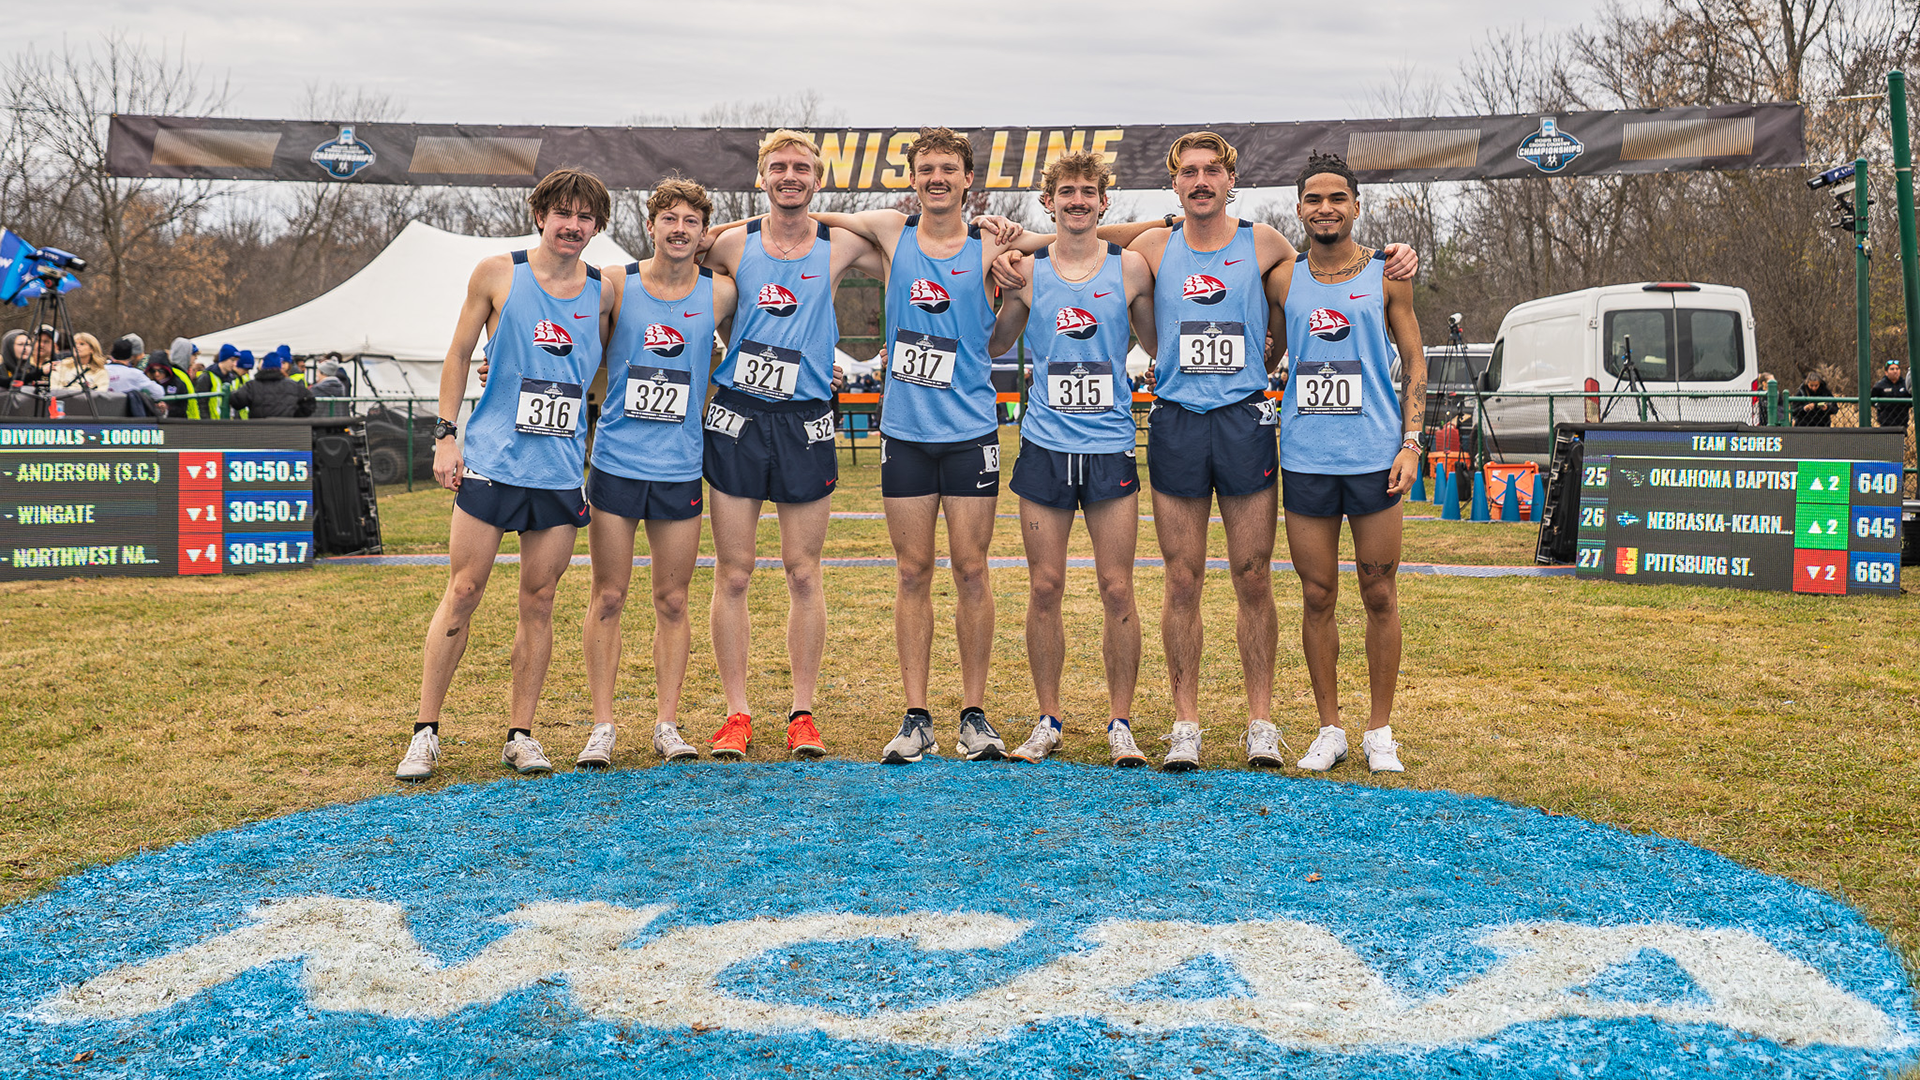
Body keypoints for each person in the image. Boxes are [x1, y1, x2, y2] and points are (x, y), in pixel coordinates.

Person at [1121, 132, 1416, 771]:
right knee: (1181, 577)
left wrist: (1396, 256)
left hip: (1246, 420)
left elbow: (1318, 297)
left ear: (1233, 181)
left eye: (1213, 172)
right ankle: (1186, 723)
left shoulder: (1268, 246)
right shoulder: (1151, 245)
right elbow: (1080, 233)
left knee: (1254, 574)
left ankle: (1261, 722)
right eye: (1189, 174)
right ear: (1175, 185)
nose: (1201, 182)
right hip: (1176, 420)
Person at [800, 127, 1028, 764]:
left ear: (967, 180)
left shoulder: (989, 243)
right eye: (924, 168)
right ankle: (916, 715)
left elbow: (1001, 340)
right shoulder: (894, 236)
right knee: (911, 572)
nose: (935, 178)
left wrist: (1011, 295)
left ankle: (975, 716)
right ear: (912, 179)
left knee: (972, 570)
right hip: (904, 433)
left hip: (970, 433)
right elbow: (818, 213)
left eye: (947, 169)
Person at [394, 167, 617, 782]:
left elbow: (603, 370)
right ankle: (426, 732)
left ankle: (521, 734)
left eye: (586, 217)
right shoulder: (498, 273)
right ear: (540, 215)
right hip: (492, 463)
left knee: (539, 601)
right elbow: (460, 354)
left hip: (559, 472)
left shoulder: (605, 290)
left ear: (597, 227)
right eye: (562, 213)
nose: (573, 225)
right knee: (463, 592)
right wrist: (445, 435)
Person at [693, 131, 884, 761]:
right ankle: (736, 714)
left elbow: (904, 239)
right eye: (778, 167)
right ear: (760, 176)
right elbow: (678, 295)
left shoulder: (839, 242)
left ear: (818, 179)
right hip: (738, 417)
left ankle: (803, 713)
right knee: (735, 571)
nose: (790, 176)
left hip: (805, 418)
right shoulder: (729, 241)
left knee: (804, 571)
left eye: (802, 168)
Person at [987, 151, 1156, 767]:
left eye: (1089, 191)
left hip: (1109, 445)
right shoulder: (1027, 271)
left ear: (1104, 201)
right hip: (1044, 447)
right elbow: (998, 342)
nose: (1078, 200)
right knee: (1045, 587)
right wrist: (994, 284)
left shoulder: (1130, 267)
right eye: (1067, 192)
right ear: (1048, 202)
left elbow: (1160, 341)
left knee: (1117, 589)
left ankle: (1121, 723)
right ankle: (1048, 719)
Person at [1268, 151, 1425, 775]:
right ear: (1299, 208)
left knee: (1378, 591)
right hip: (1306, 457)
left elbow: (1415, 360)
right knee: (1317, 593)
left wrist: (1412, 442)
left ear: (1356, 206)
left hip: (1374, 458)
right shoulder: (1283, 278)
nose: (1326, 208)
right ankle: (1329, 727)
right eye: (1314, 199)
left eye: (1338, 199)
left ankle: (1379, 730)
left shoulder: (1389, 273)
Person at [578, 177, 737, 767]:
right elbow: (574, 345)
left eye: (690, 221)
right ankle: (602, 725)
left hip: (678, 467)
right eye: (667, 219)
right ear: (649, 227)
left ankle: (667, 724)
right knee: (609, 595)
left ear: (702, 232)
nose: (677, 229)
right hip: (616, 462)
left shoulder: (720, 293)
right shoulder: (616, 284)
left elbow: (757, 338)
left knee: (673, 600)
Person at [228, 350, 316, 418]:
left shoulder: (252, 386)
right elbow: (310, 401)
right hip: (286, 433)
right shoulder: (293, 385)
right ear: (279, 367)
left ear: (263, 367)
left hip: (258, 432)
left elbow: (237, 402)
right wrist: (296, 415)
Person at [1871, 360, 1910, 430]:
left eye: (1897, 369)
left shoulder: (1905, 384)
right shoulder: (1880, 385)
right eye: (1892, 369)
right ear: (1886, 372)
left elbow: (1912, 399)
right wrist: (1878, 406)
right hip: (1886, 423)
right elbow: (1871, 399)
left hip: (1902, 423)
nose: (1895, 371)